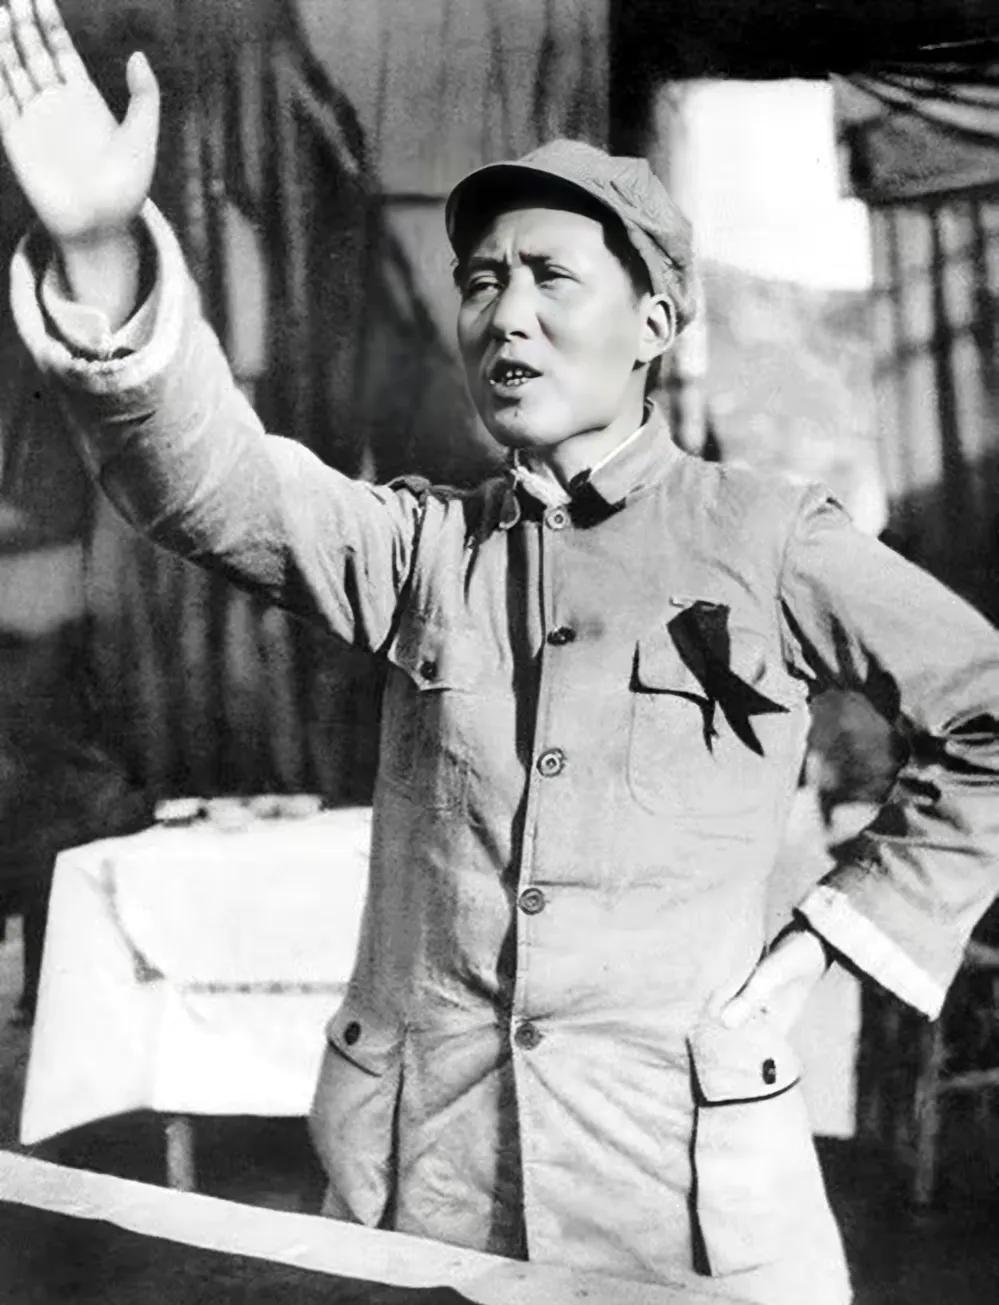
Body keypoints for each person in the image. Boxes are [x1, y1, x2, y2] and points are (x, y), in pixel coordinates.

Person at [2, 4, 998, 1301]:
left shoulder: (766, 537)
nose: (505, 315)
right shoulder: (424, 547)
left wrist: (830, 936)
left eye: (550, 278)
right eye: (482, 281)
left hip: (679, 1202)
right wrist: (98, 253)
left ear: (655, 322)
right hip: (429, 1192)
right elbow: (212, 486)